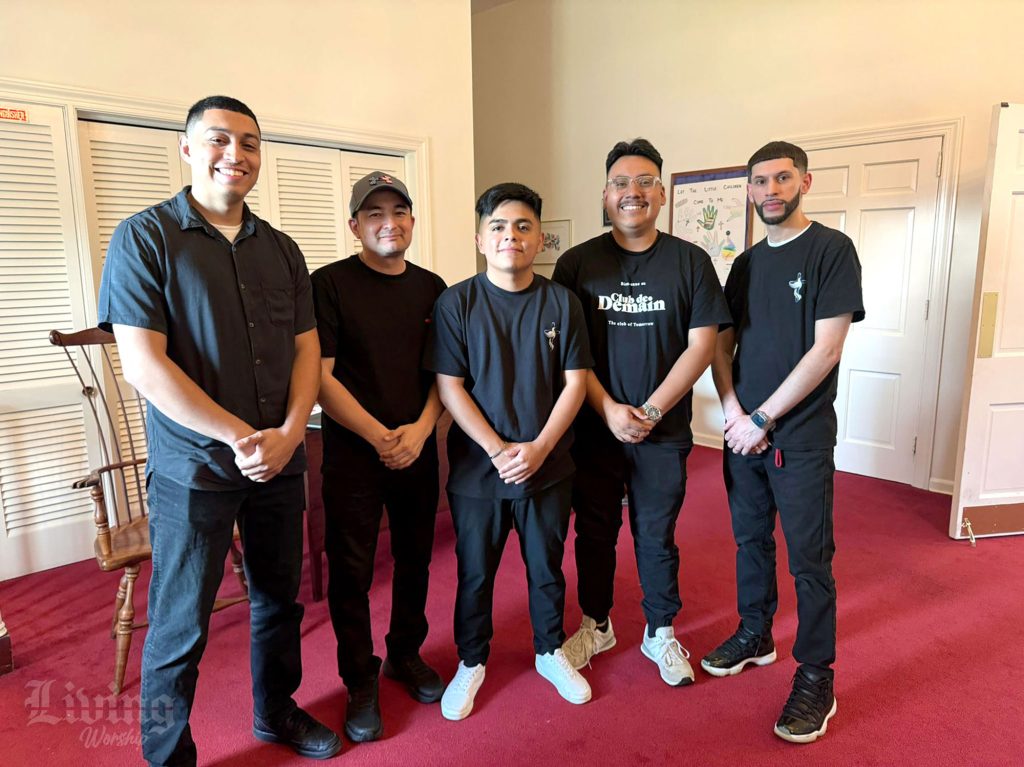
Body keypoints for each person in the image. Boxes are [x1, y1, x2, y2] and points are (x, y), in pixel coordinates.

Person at [98, 96, 341, 765]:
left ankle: (276, 710)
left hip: (280, 460)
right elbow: (144, 366)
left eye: (250, 142)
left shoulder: (282, 249)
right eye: (218, 139)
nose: (236, 153)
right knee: (180, 622)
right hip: (195, 467)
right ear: (186, 148)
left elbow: (307, 350)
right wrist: (241, 435)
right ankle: (167, 753)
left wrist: (291, 431)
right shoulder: (144, 237)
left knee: (279, 602)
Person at [703, 141, 864, 744]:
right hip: (742, 434)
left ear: (805, 182)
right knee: (750, 541)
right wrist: (731, 411)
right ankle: (756, 633)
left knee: (809, 560)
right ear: (748, 190)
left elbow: (827, 348)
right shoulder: (745, 265)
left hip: (797, 437)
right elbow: (721, 344)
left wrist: (763, 417)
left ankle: (817, 675)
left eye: (782, 178)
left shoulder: (831, 250)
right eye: (760, 181)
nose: (770, 190)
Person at [553, 138, 730, 686]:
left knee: (656, 534)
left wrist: (650, 411)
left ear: (662, 193)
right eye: (621, 183)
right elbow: (568, 354)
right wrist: (608, 409)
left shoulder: (691, 262)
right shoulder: (576, 264)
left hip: (664, 430)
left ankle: (660, 630)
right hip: (593, 428)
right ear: (606, 195)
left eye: (646, 181)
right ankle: (597, 624)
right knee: (595, 532)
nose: (633, 192)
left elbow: (702, 345)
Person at [426, 182, 593, 720]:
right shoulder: (456, 303)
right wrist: (497, 449)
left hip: (548, 466)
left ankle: (549, 650)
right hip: (478, 472)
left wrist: (540, 448)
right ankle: (471, 660)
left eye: (523, 226)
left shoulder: (561, 302)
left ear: (540, 239)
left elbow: (576, 383)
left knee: (546, 567)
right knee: (475, 573)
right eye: (498, 226)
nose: (510, 236)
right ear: (480, 239)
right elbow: (450, 386)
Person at [311, 172, 447, 743]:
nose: (389, 223)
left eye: (398, 212)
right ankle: (359, 678)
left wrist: (420, 430)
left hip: (418, 447)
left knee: (416, 560)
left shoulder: (433, 287)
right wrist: (380, 437)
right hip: (354, 454)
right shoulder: (329, 284)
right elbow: (320, 378)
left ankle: (404, 653)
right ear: (355, 226)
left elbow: (446, 374)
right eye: (374, 214)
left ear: (412, 220)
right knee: (352, 572)